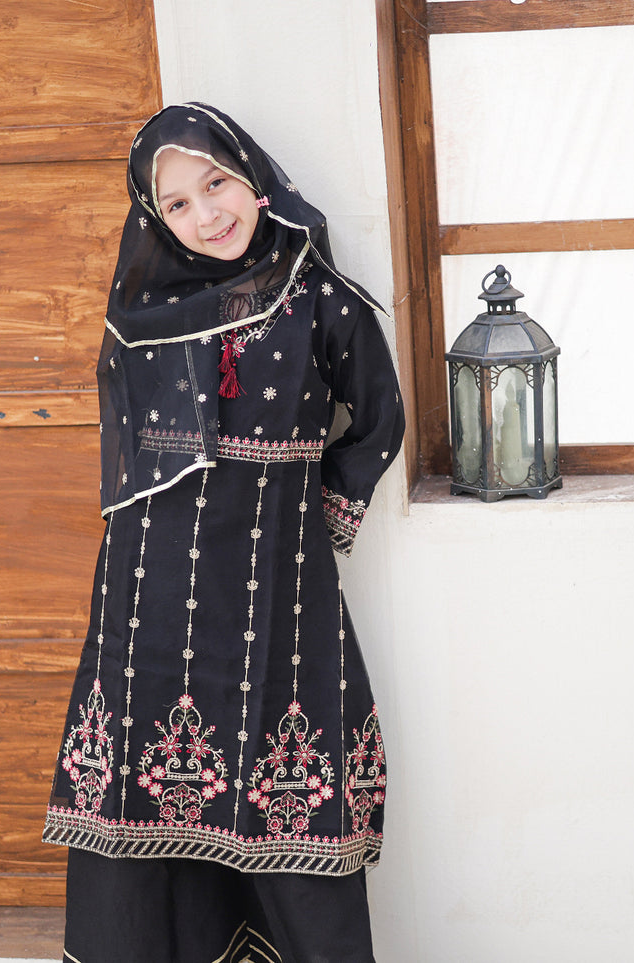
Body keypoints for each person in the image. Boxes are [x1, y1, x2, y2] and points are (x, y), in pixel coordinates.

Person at [43, 103, 404, 963]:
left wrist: (319, 519)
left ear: (253, 177)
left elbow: (378, 419)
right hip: (149, 592)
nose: (205, 214)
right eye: (176, 203)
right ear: (153, 217)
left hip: (275, 582)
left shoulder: (319, 298)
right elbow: (131, 451)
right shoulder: (139, 313)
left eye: (216, 183)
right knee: (148, 784)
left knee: (282, 772)